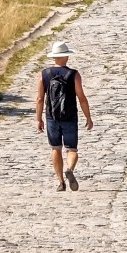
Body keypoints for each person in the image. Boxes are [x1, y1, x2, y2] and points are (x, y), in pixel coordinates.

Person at [35, 40, 94, 191]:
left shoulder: (44, 75)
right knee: (72, 149)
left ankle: (61, 182)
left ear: (54, 57)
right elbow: (81, 98)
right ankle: (70, 169)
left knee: (55, 148)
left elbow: (40, 99)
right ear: (66, 56)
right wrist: (88, 117)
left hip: (52, 117)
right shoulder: (73, 75)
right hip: (70, 116)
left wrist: (38, 119)